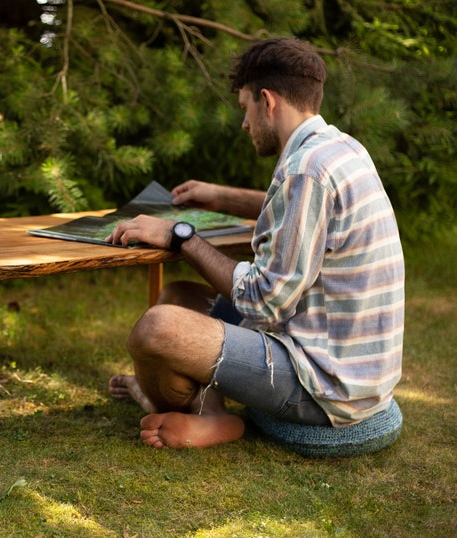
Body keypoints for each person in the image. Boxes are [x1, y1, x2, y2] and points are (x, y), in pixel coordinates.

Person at [105, 38, 405, 449]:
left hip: (324, 383)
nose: (244, 123)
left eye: (245, 107)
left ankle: (196, 411)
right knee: (176, 296)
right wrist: (220, 195)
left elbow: (266, 302)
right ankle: (205, 411)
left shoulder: (306, 172)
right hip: (342, 357)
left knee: (157, 328)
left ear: (268, 101)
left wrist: (181, 237)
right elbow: (296, 212)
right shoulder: (339, 149)